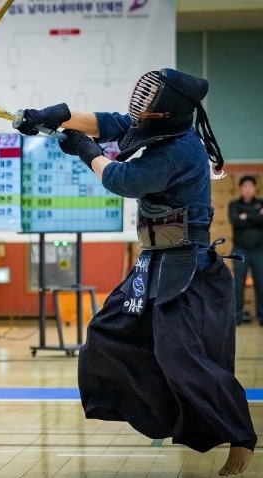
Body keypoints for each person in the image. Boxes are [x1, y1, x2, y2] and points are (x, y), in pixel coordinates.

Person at [15, 68, 256, 476]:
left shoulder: (180, 149)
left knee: (180, 354)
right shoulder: (158, 127)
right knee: (108, 332)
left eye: (149, 101)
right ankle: (164, 414)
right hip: (153, 261)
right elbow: (110, 122)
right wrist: (56, 116)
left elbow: (121, 179)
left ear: (166, 110)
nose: (139, 107)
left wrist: (86, 149)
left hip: (186, 265)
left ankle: (241, 437)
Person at [229, 175, 263, 325]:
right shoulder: (234, 204)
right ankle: (236, 317)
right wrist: (256, 216)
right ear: (240, 189)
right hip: (240, 250)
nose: (248, 189)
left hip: (259, 250)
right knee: (238, 284)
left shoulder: (261, 202)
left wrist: (246, 216)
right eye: (245, 186)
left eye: (250, 186)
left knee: (261, 283)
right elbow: (235, 221)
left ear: (254, 188)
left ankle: (262, 316)